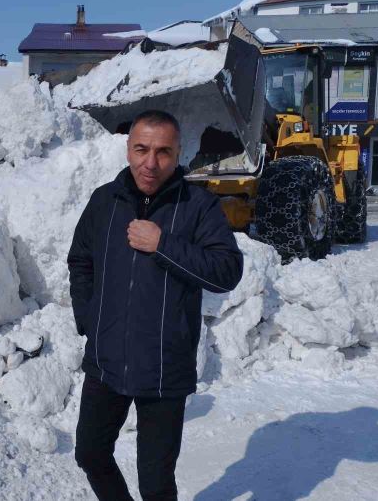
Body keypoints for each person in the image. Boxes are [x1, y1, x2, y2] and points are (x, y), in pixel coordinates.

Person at [68, 110, 244, 500]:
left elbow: (227, 270)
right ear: (128, 149)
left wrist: (162, 243)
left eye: (163, 152)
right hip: (106, 359)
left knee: (155, 483)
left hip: (165, 366)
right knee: (91, 453)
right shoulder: (104, 201)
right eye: (141, 149)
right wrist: (89, 318)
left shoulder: (199, 205)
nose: (151, 162)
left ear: (179, 153)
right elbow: (80, 261)